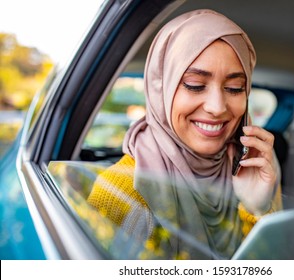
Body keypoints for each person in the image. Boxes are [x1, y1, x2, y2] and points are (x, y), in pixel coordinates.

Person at [87, 9, 282, 260]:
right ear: (161, 89)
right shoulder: (122, 190)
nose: (217, 106)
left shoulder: (255, 170)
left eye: (234, 88)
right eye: (195, 85)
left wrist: (257, 208)